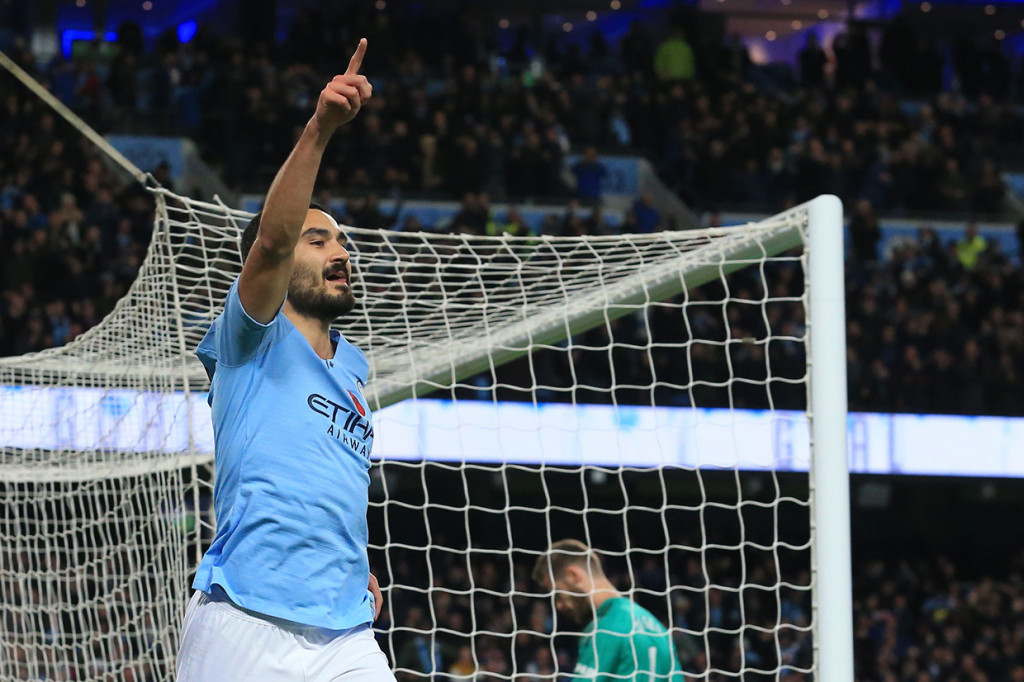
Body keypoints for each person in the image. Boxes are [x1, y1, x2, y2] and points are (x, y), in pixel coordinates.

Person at [176, 39, 396, 681]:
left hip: (346, 632)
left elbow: (322, 487)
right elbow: (270, 242)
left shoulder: (353, 369)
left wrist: (347, 570)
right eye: (318, 237)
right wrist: (321, 128)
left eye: (343, 240)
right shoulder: (251, 339)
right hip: (244, 619)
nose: (341, 250)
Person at [533, 540, 685, 681]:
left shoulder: (605, 629)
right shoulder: (657, 628)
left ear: (574, 575)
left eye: (557, 594)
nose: (559, 605)